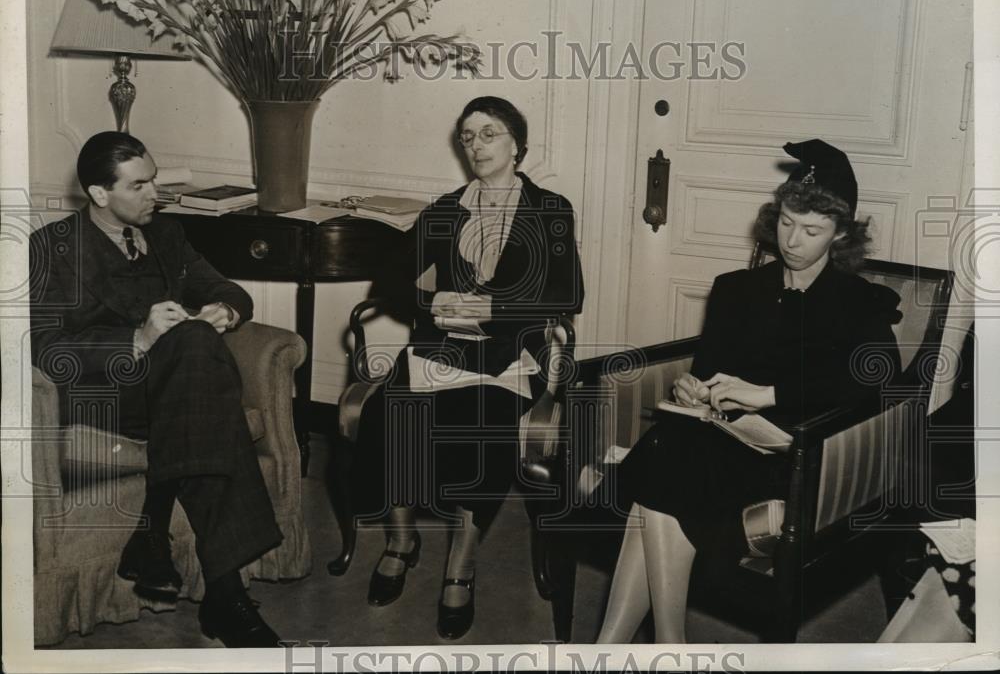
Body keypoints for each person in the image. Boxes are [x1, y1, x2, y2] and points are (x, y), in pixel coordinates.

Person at [597, 139, 902, 643]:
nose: (793, 240)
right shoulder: (737, 289)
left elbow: (877, 377)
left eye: (812, 230)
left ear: (841, 233)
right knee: (673, 451)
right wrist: (694, 388)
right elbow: (709, 369)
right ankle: (664, 647)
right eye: (785, 222)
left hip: (794, 457)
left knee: (663, 470)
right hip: (721, 441)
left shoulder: (859, 303)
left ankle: (633, 645)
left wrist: (773, 395)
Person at [30, 131, 283, 647]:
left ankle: (165, 542)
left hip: (180, 386)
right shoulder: (53, 248)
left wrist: (225, 310)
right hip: (107, 394)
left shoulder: (166, 235)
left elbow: (227, 288)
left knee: (194, 345)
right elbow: (47, 349)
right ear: (100, 194)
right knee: (197, 364)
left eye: (155, 180)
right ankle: (217, 588)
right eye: (140, 185)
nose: (155, 194)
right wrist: (138, 338)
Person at [353, 96, 584, 640]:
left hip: (506, 358)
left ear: (517, 146)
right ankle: (401, 540)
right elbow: (388, 282)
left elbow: (568, 292)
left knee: (481, 426)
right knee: (390, 416)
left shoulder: (550, 210)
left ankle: (461, 563)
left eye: (490, 133)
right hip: (440, 353)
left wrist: (495, 308)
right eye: (468, 136)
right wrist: (430, 305)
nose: (477, 145)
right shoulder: (445, 209)